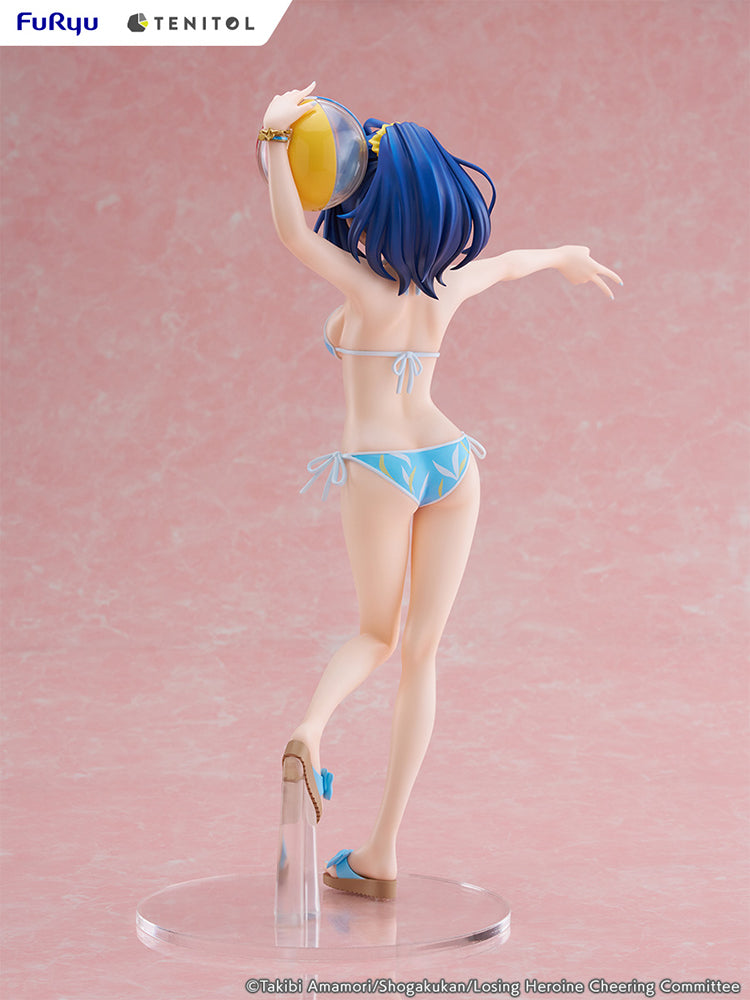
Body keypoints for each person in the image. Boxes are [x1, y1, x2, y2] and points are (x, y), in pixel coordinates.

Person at [261, 83, 622, 900]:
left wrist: (277, 137)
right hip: (452, 463)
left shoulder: (364, 288)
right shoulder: (448, 284)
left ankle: (310, 729)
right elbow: (515, 263)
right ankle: (382, 852)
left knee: (374, 634)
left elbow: (290, 231)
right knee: (422, 654)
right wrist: (566, 256)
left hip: (380, 468)